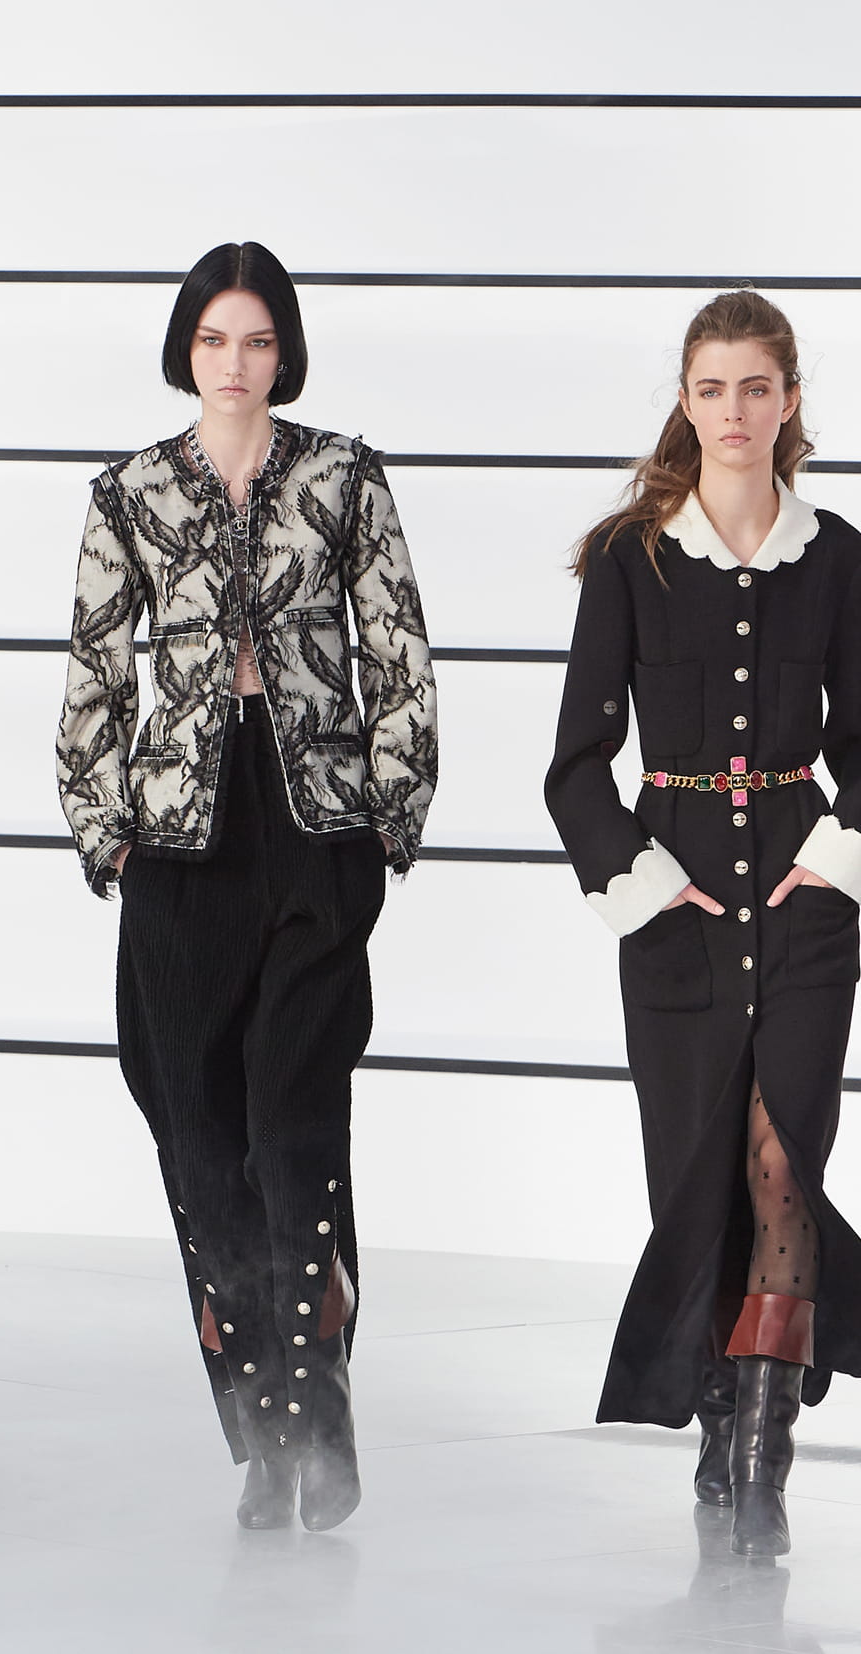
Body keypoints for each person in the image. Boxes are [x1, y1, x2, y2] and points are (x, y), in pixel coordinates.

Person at [56, 242, 437, 1531]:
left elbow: (398, 650)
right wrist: (106, 834)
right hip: (178, 843)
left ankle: (314, 1408)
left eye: (257, 339)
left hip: (313, 823)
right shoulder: (128, 493)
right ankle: (264, 1432)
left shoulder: (343, 477)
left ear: (285, 351)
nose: (235, 362)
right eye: (215, 339)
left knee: (292, 1117)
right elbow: (94, 673)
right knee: (201, 1140)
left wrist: (388, 818)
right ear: (186, 348)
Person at [545, 289, 861, 1557]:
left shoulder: (838, 557)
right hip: (674, 914)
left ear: (789, 402)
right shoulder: (631, 558)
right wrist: (641, 880)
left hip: (804, 907)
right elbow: (575, 766)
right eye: (711, 388)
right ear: (685, 400)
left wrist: (833, 860)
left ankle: (759, 1464)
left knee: (783, 1163)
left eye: (755, 387)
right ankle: (722, 1415)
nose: (733, 410)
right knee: (700, 1177)